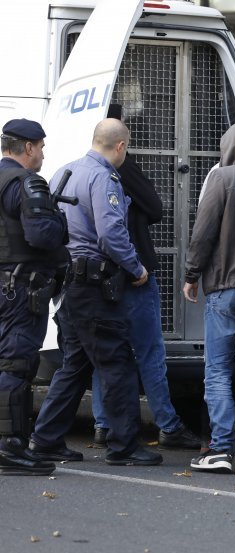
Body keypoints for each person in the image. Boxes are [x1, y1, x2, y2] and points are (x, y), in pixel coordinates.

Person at [31, 118, 162, 466]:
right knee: (117, 364)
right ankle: (124, 446)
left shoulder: (64, 172)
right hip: (95, 288)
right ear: (120, 146)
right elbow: (111, 234)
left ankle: (45, 439)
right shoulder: (105, 177)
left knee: (74, 365)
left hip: (69, 286)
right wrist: (137, 268)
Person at [90, 104, 200, 451]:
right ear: (120, 141)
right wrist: (137, 266)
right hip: (132, 273)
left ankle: (102, 422)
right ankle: (167, 423)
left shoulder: (77, 169)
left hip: (96, 275)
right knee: (150, 351)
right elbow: (154, 208)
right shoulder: (122, 168)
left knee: (105, 354)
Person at [184, 120, 235, 473]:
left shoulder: (221, 177)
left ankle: (220, 447)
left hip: (223, 286)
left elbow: (204, 232)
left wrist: (190, 274)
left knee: (217, 371)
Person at [0, 119, 68, 475]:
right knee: (16, 363)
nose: (42, 153)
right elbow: (42, 235)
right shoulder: (27, 182)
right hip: (20, 288)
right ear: (27, 147)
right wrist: (60, 220)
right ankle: (10, 447)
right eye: (40, 146)